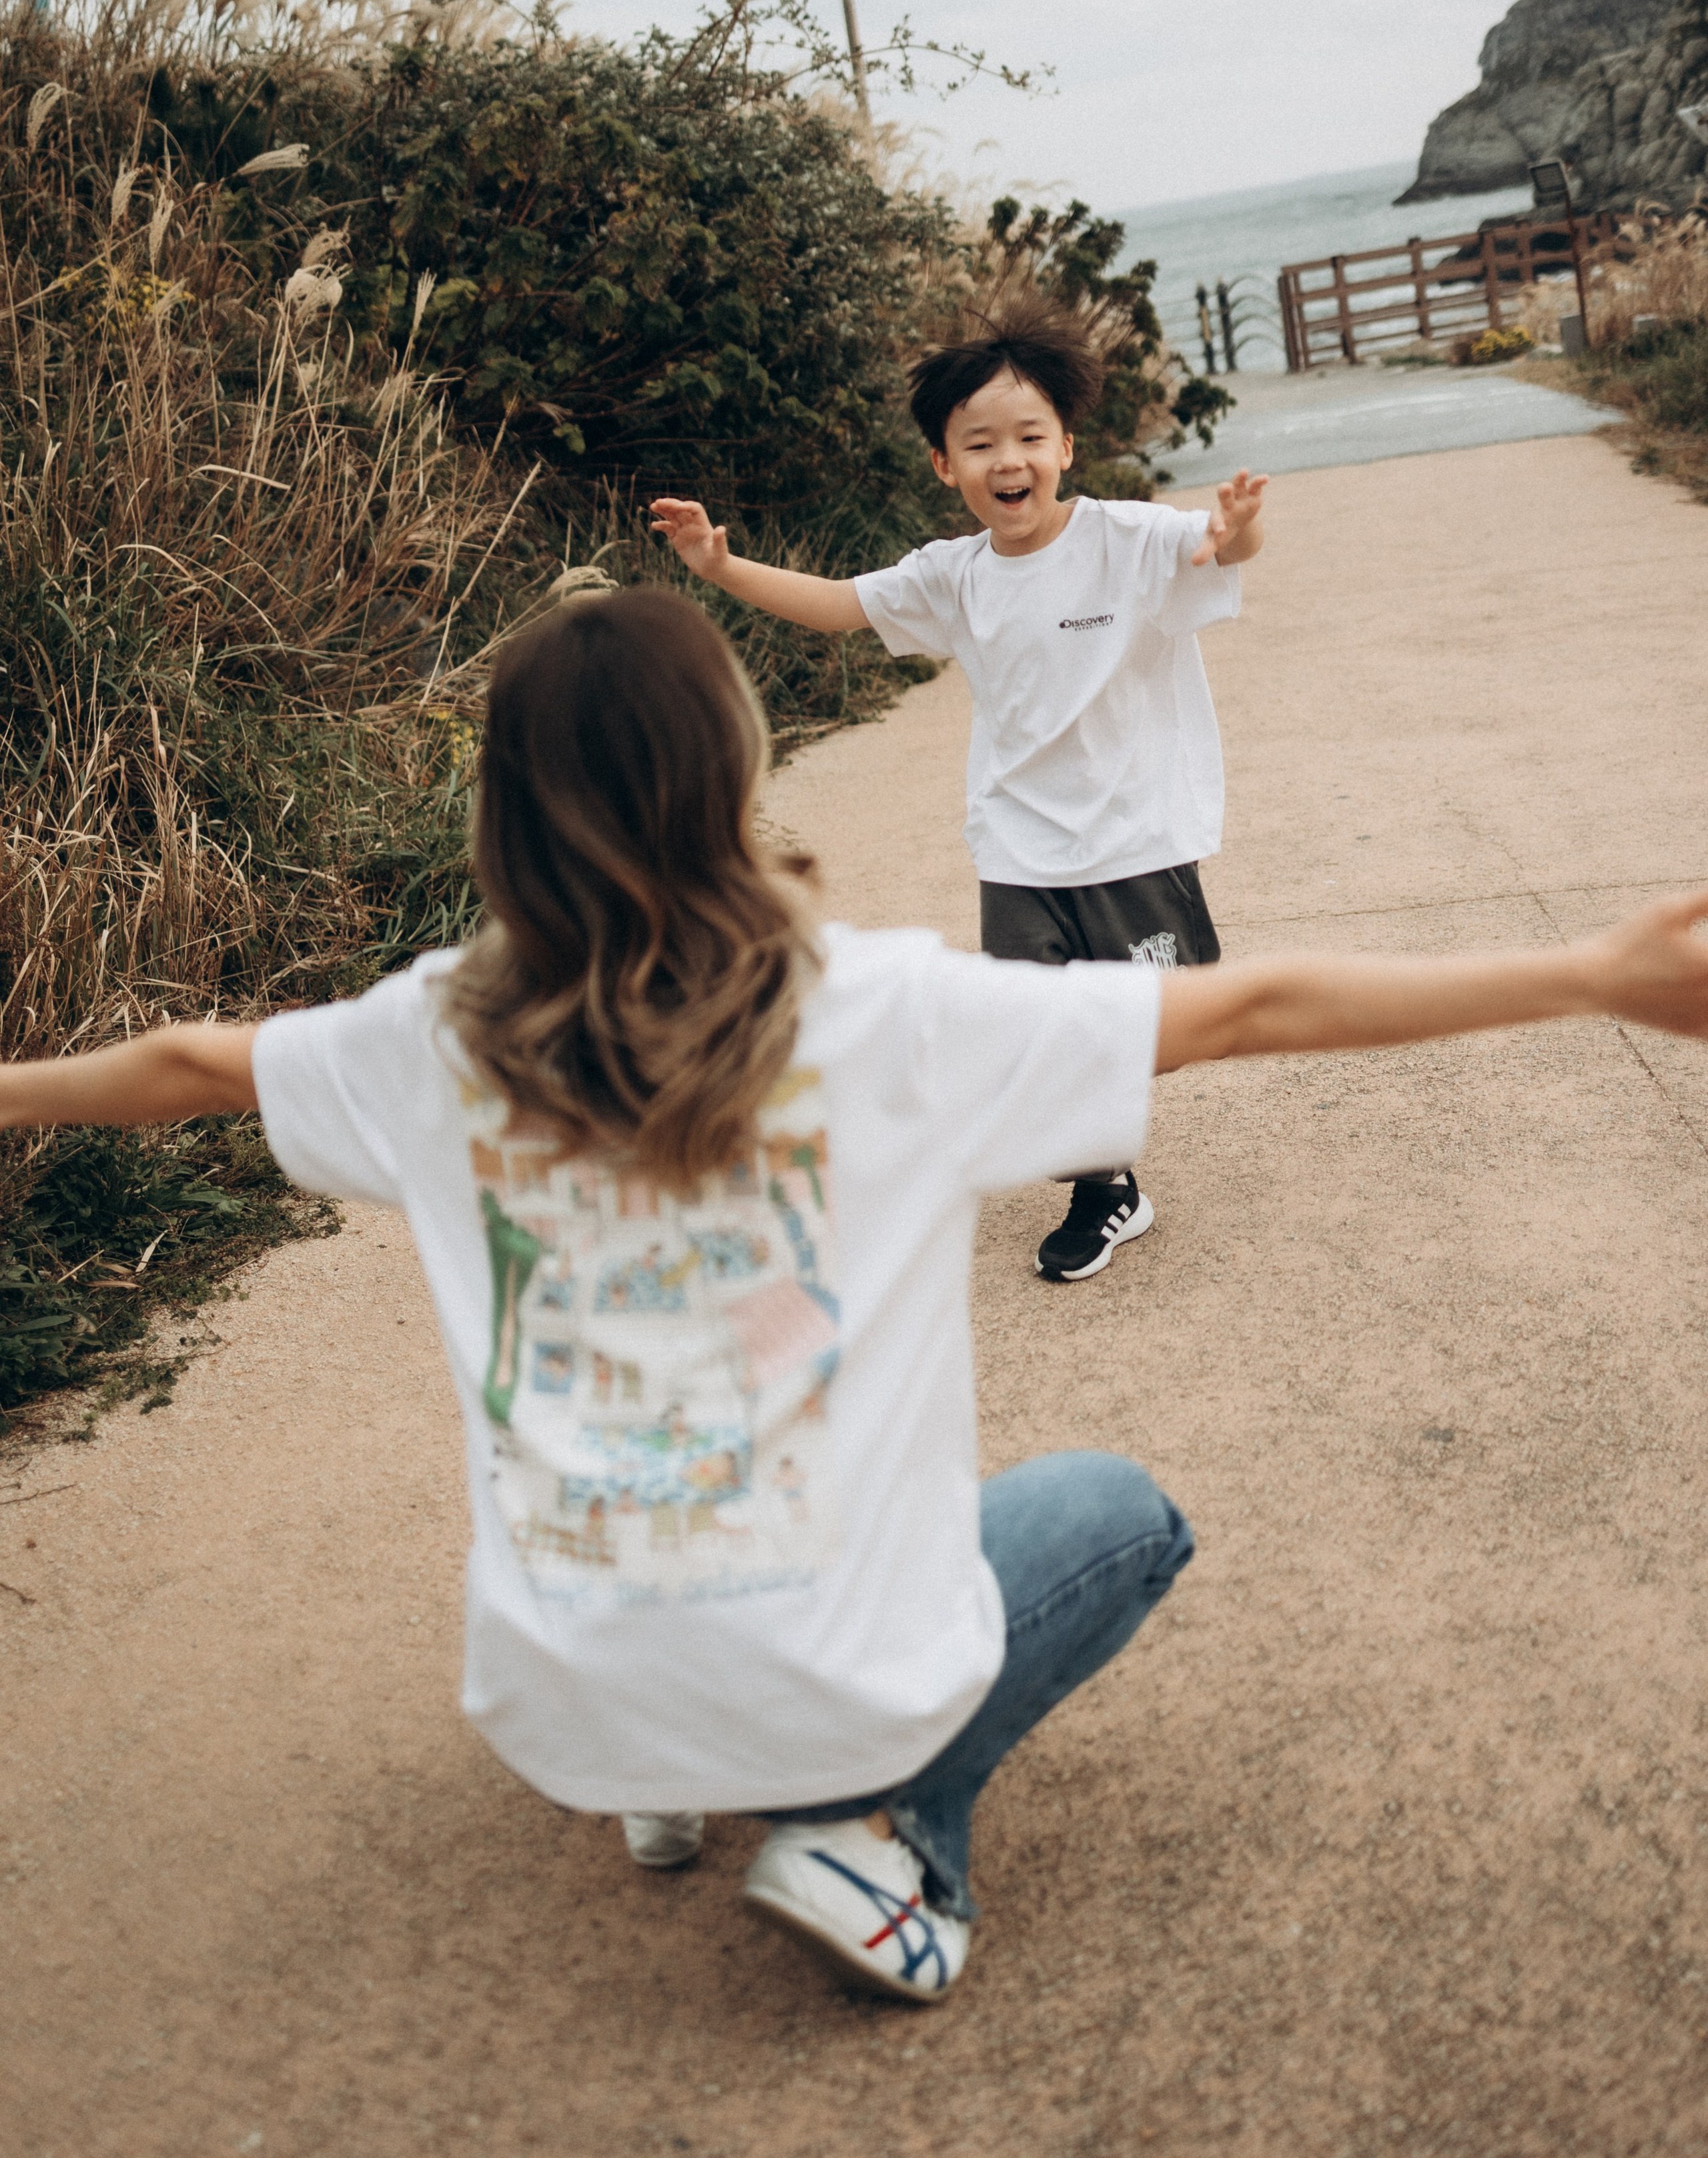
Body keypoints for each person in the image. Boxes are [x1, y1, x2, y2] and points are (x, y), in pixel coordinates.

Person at [5, 587, 1706, 2009]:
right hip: (826, 1682)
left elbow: (186, 1063)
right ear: (734, 769)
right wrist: (1588, 975)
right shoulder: (884, 1014)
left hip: (557, 1697)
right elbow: (1246, 1008)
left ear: (502, 804)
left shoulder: (432, 1037)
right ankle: (882, 1838)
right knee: (1115, 1513)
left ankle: (665, 1789)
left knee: (656, 1502)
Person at [651, 294, 1268, 1285]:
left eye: (1029, 436)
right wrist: (720, 567)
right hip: (1020, 847)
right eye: (980, 444)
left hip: (1134, 837)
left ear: (1065, 447)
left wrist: (1238, 532)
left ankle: (1094, 1124)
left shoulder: (1129, 539)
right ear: (947, 466)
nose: (1007, 460)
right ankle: (1104, 1186)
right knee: (1031, 1034)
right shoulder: (954, 576)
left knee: (1163, 1029)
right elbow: (841, 606)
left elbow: (1216, 550)